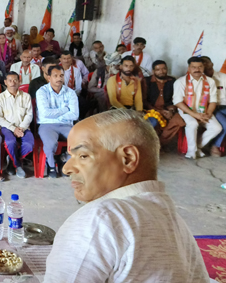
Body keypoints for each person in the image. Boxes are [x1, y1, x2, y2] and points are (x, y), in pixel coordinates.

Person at [44, 109, 209, 282]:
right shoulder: (176, 224)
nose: (66, 168)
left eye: (83, 156)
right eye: (71, 156)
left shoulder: (100, 218)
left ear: (128, 159)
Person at [36, 65, 80, 178]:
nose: (59, 78)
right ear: (49, 78)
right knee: (50, 144)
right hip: (47, 125)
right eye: (55, 76)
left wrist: (57, 116)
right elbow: (45, 113)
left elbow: (75, 115)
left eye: (61, 75)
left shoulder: (70, 92)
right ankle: (51, 165)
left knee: (78, 141)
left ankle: (66, 163)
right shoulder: (42, 92)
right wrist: (65, 110)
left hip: (66, 124)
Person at [174, 57, 221, 159]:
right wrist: (195, 115)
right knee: (193, 123)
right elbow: (177, 102)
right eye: (194, 67)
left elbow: (213, 100)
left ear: (203, 67)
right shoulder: (181, 82)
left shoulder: (210, 81)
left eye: (200, 67)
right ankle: (191, 152)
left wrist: (208, 113)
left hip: (204, 111)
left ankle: (197, 147)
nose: (197, 69)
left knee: (217, 128)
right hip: (186, 111)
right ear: (189, 68)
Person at [0, 72, 34, 179]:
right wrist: (13, 129)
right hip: (7, 127)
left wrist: (21, 128)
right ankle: (17, 165)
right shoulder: (0, 98)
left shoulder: (26, 96)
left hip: (23, 127)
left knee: (29, 144)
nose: (13, 83)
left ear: (19, 81)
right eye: (10, 80)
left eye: (15, 80)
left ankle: (12, 161)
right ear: (5, 82)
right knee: (10, 142)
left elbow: (29, 114)